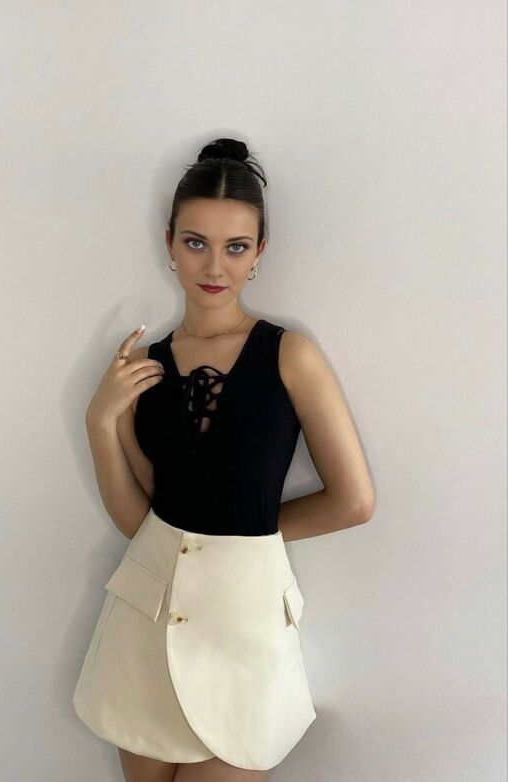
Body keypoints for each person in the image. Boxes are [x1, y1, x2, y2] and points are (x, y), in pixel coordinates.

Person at [73, 137, 375, 782]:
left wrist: (242, 532)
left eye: (236, 246)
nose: (214, 265)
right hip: (147, 625)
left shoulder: (290, 355)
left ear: (259, 251)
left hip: (244, 626)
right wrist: (101, 421)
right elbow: (144, 521)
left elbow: (354, 502)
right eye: (196, 242)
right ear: (169, 243)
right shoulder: (143, 369)